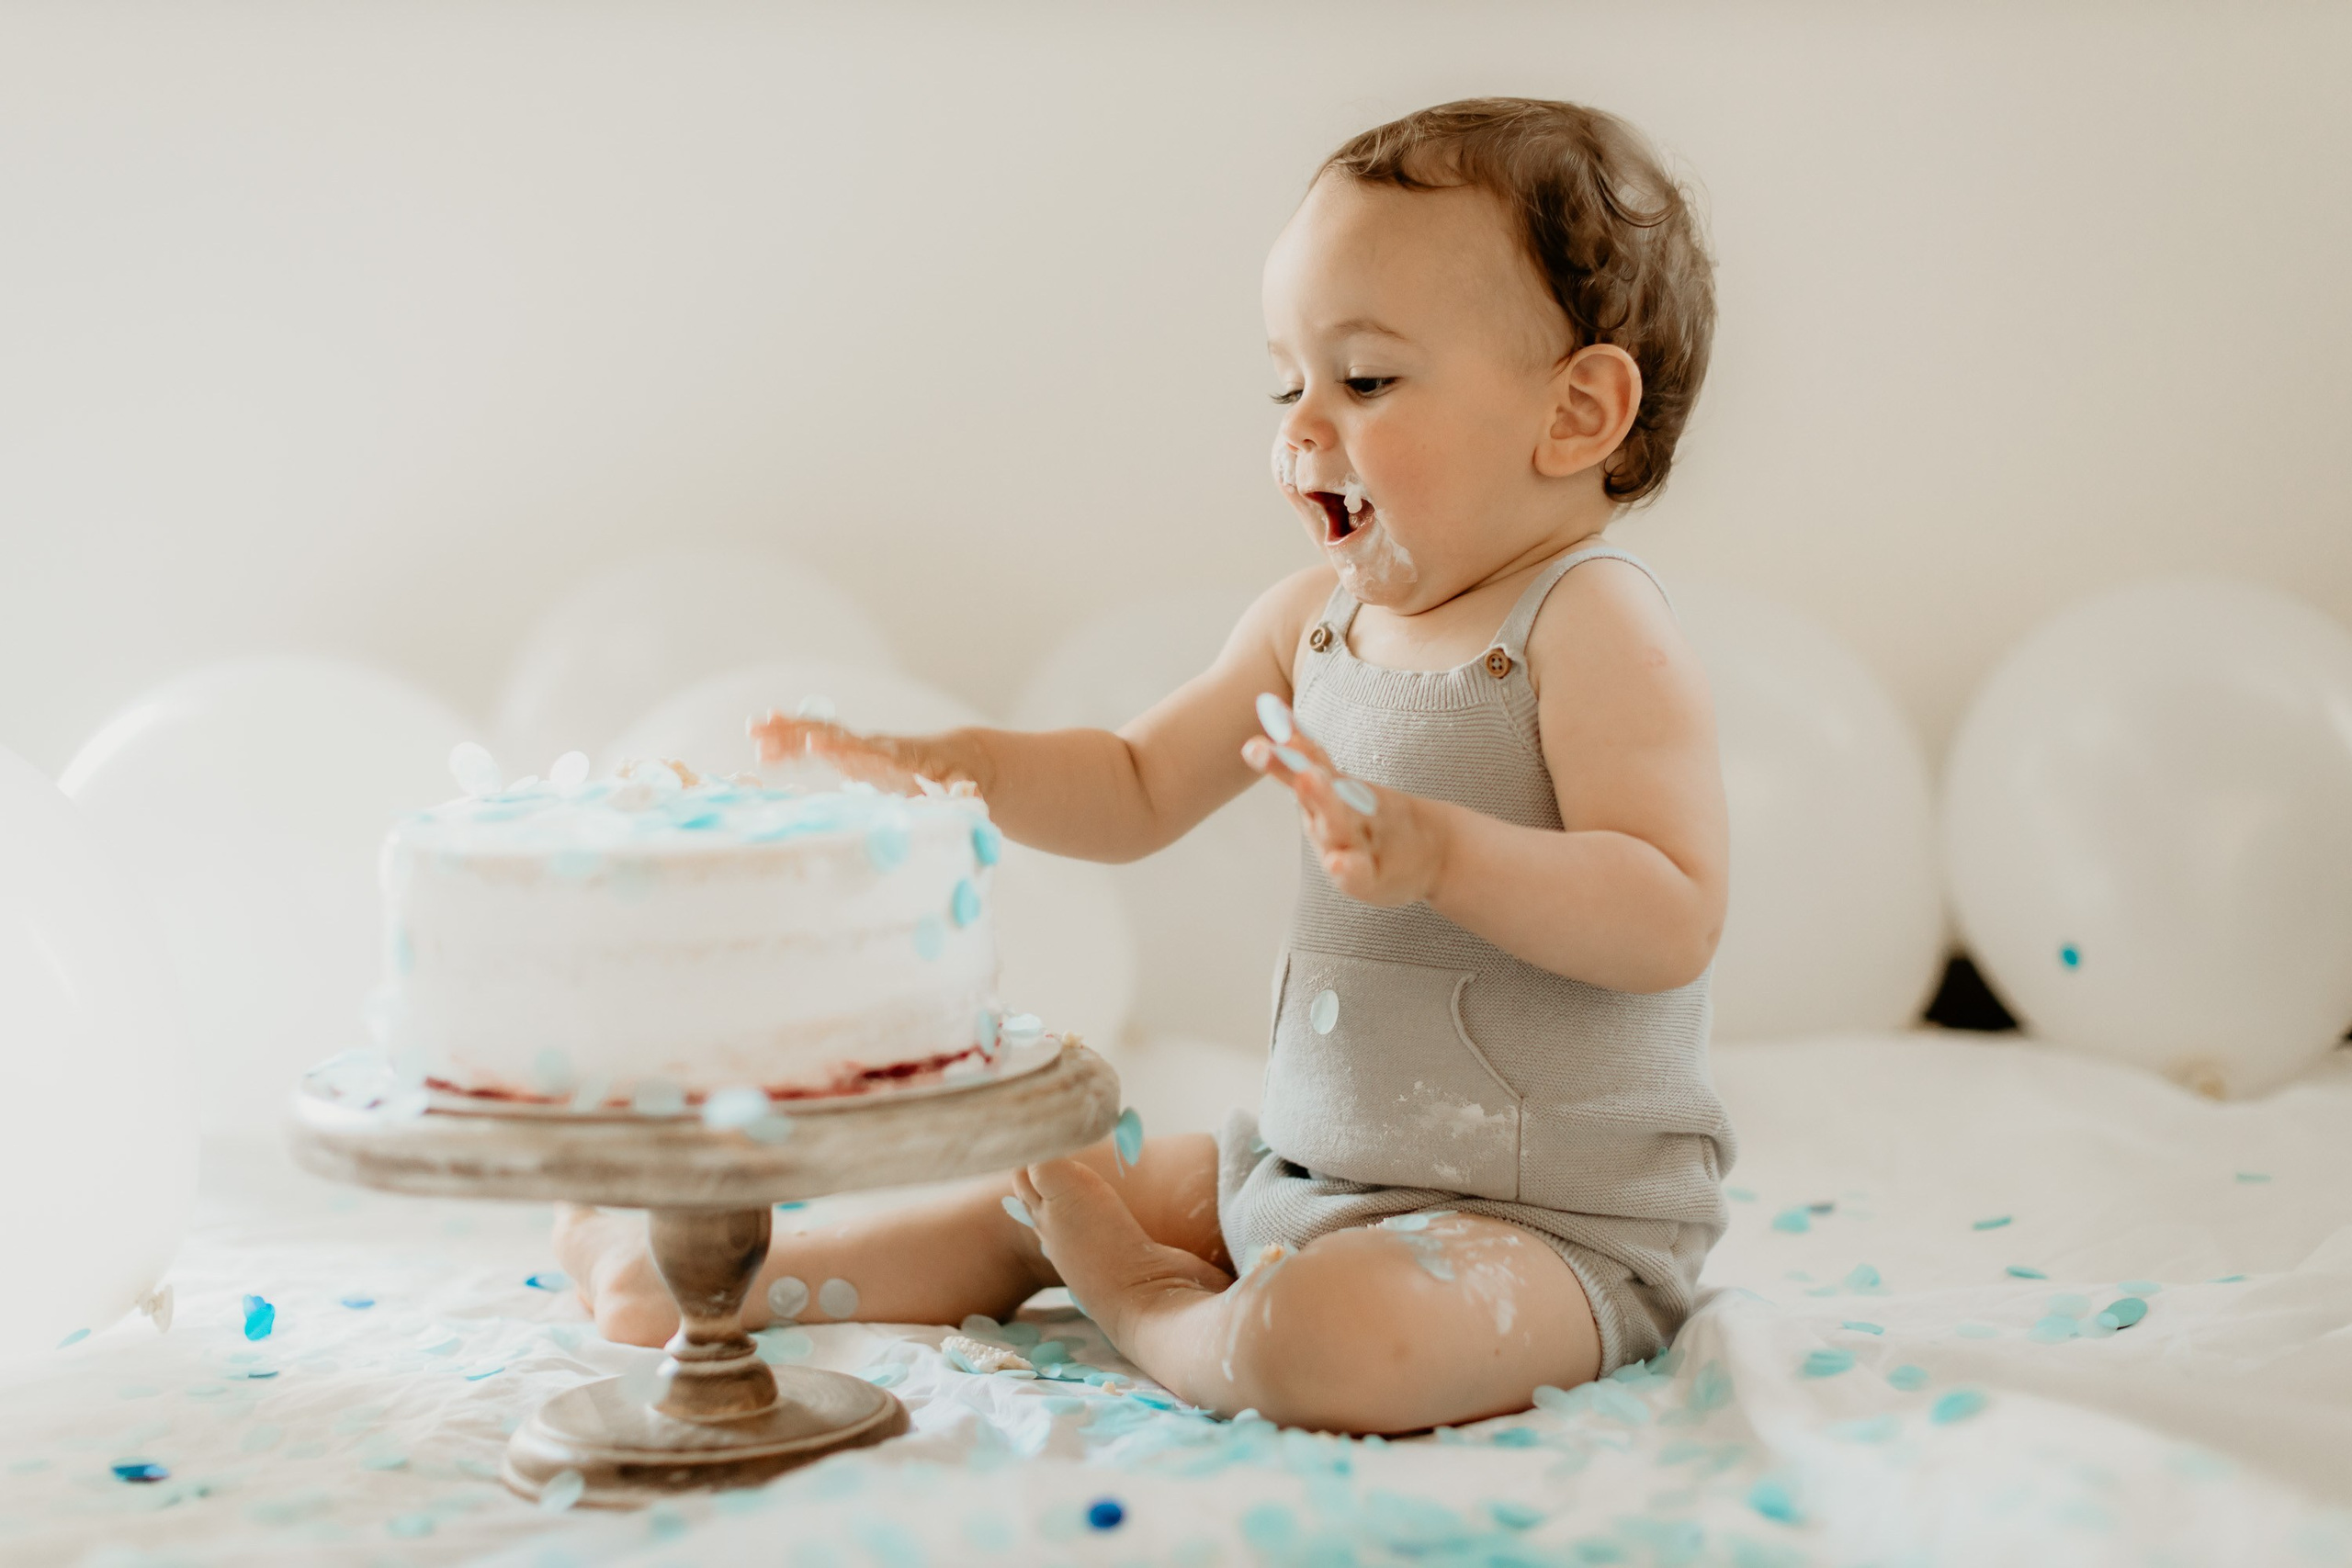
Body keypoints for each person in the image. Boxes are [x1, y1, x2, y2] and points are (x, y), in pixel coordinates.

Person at [560, 96, 1736, 1435]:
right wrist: (947, 765)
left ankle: (1149, 1307)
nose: (1303, 429)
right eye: (1287, 381)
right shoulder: (1316, 623)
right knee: (1048, 1179)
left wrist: (1444, 853)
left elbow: (1670, 911)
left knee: (1325, 1341)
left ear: (1576, 411)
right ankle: (714, 1288)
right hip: (1307, 1172)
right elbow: (1129, 783)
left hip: (1546, 1236)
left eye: (1365, 380)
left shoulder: (1590, 623)